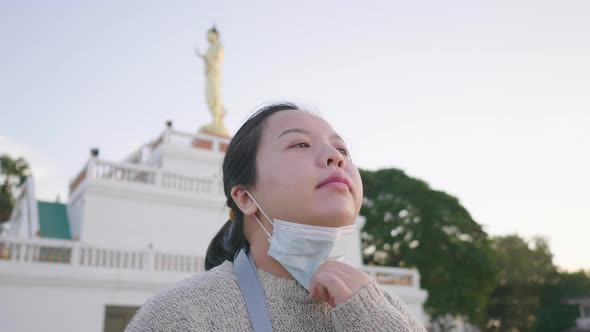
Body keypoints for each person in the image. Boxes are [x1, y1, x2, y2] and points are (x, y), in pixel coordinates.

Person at [126, 103, 426, 331]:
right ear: (244, 197)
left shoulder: (385, 308)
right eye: (300, 144)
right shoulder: (179, 316)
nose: (336, 157)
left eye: (342, 149)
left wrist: (370, 318)